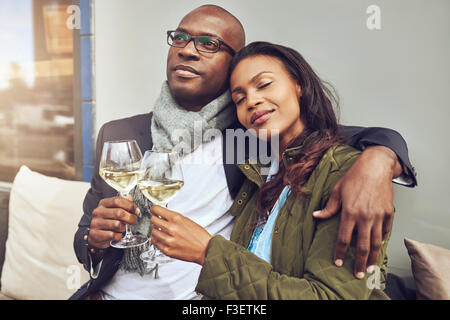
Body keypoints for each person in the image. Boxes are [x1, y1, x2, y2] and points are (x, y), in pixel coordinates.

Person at [71, 5, 416, 300]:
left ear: (231, 67)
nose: (188, 50)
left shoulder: (247, 138)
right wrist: (95, 240)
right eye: (180, 37)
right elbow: (85, 240)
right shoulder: (119, 134)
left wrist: (380, 159)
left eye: (209, 44)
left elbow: (334, 137)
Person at [149, 41, 392, 299]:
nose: (251, 101)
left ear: (299, 85)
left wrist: (207, 252)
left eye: (264, 85)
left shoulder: (351, 176)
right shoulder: (258, 178)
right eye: (239, 99)